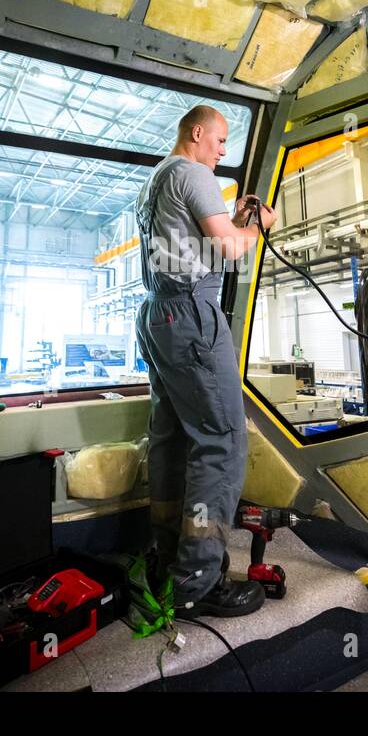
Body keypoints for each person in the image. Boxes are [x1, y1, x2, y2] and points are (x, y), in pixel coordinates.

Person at [134, 105, 276, 620]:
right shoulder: (194, 174)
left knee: (172, 439)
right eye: (218, 140)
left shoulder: (155, 182)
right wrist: (259, 221)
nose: (222, 151)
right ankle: (198, 580)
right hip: (192, 316)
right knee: (221, 441)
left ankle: (168, 558)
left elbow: (197, 251)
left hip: (158, 315)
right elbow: (230, 250)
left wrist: (235, 224)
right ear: (197, 134)